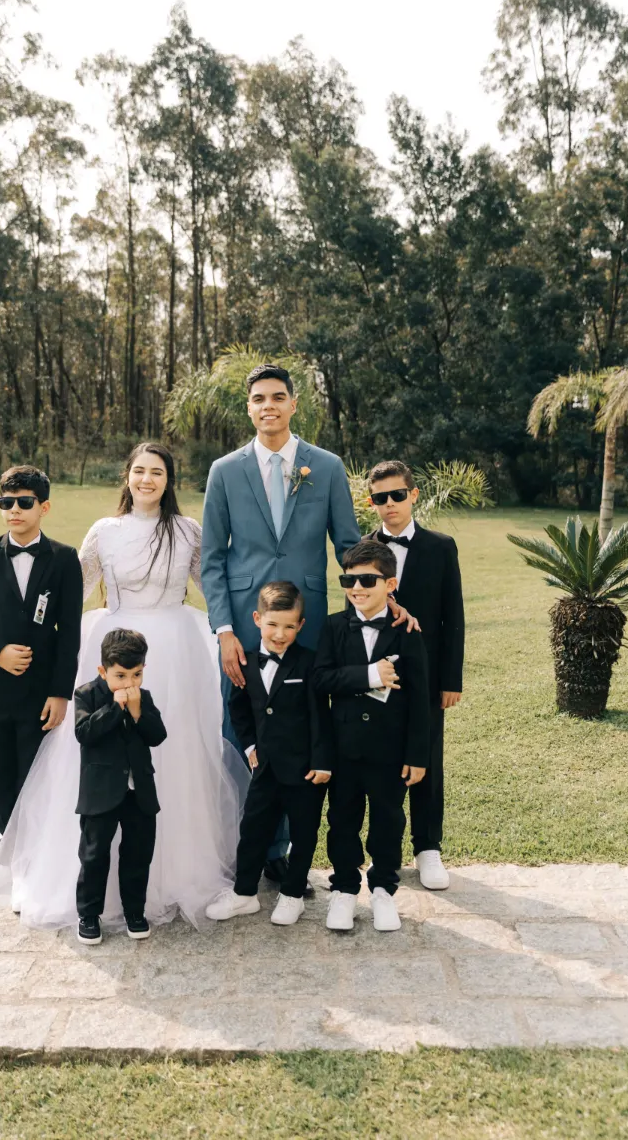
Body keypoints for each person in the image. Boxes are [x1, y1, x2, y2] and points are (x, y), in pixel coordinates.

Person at [0, 442, 248, 930]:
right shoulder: (105, 531)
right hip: (111, 640)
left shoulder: (186, 531)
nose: (146, 480)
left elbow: (213, 583)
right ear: (127, 476)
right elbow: (67, 589)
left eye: (156, 472)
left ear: (169, 479)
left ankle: (174, 866)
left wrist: (237, 626)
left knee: (172, 752)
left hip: (175, 648)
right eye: (139, 471)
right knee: (93, 750)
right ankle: (48, 865)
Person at [201, 363, 360, 888]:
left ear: (294, 404)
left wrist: (380, 595)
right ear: (248, 408)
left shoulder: (327, 467)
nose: (267, 406)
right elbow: (212, 559)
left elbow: (349, 543)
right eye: (258, 399)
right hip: (246, 628)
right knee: (245, 728)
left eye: (277, 397)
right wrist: (224, 629)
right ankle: (254, 841)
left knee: (303, 729)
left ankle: (291, 850)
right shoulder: (225, 471)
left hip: (306, 624)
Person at [0, 464, 83, 893]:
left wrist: (60, 693)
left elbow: (70, 634)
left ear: (43, 507)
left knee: (34, 776)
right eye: (6, 503)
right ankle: (5, 861)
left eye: (24, 503)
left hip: (40, 694)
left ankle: (33, 865)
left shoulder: (64, 559)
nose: (14, 510)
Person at [313, 539, 430, 933]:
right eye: (349, 579)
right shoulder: (332, 626)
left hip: (390, 750)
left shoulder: (407, 630)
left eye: (367, 579)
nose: (357, 588)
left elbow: (419, 697)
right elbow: (320, 680)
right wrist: (367, 676)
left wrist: (417, 754)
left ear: (390, 584)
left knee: (388, 821)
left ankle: (383, 890)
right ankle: (344, 890)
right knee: (342, 820)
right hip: (344, 749)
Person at [206, 582, 332, 928]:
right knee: (253, 829)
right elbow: (239, 710)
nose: (280, 634)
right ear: (258, 619)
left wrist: (322, 762)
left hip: (305, 770)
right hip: (264, 770)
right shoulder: (245, 661)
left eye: (290, 626)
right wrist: (249, 749)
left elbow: (322, 716)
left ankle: (292, 896)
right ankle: (244, 893)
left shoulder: (308, 663)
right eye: (273, 624)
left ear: (301, 626)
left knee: (304, 833)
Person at [365, 460, 465, 891]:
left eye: (397, 495)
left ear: (413, 495)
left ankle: (428, 848)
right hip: (379, 676)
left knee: (427, 758)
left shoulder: (441, 547)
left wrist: (451, 679)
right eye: (380, 498)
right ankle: (383, 851)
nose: (389, 505)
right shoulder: (362, 549)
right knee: (384, 760)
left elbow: (453, 618)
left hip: (426, 675)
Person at [75, 629, 167, 945]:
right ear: (103, 671)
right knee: (94, 854)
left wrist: (138, 710)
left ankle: (135, 912)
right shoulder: (87, 694)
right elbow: (84, 732)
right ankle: (88, 914)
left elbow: (157, 736)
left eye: (137, 674)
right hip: (100, 792)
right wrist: (115, 708)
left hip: (139, 791)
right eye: (121, 675)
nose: (129, 683)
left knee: (138, 853)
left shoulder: (145, 698)